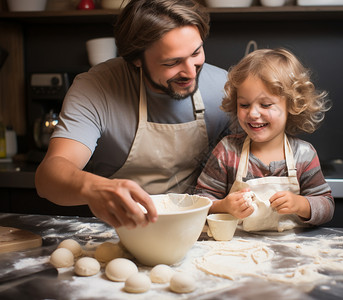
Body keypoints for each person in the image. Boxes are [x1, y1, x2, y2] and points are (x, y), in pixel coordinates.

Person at [35, 0, 229, 229]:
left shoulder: (223, 89)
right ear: (135, 59)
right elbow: (48, 178)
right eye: (172, 62)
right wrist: (92, 187)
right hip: (118, 231)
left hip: (194, 230)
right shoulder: (97, 88)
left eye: (196, 52)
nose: (190, 71)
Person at [195, 48, 334, 231]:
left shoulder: (304, 155)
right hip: (235, 252)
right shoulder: (228, 151)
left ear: (291, 105)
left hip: (292, 253)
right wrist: (224, 206)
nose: (253, 113)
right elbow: (200, 202)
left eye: (265, 104)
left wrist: (301, 204)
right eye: (244, 104)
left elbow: (327, 206)